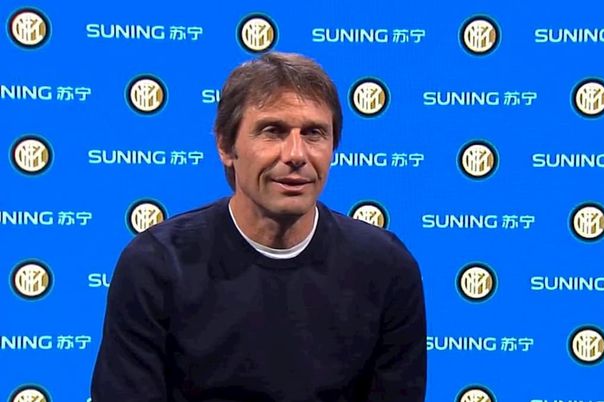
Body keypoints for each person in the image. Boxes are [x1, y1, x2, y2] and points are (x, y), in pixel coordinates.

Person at [90, 51, 427, 402]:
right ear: (226, 146)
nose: (296, 154)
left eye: (314, 133)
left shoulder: (386, 268)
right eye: (273, 131)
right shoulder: (156, 265)